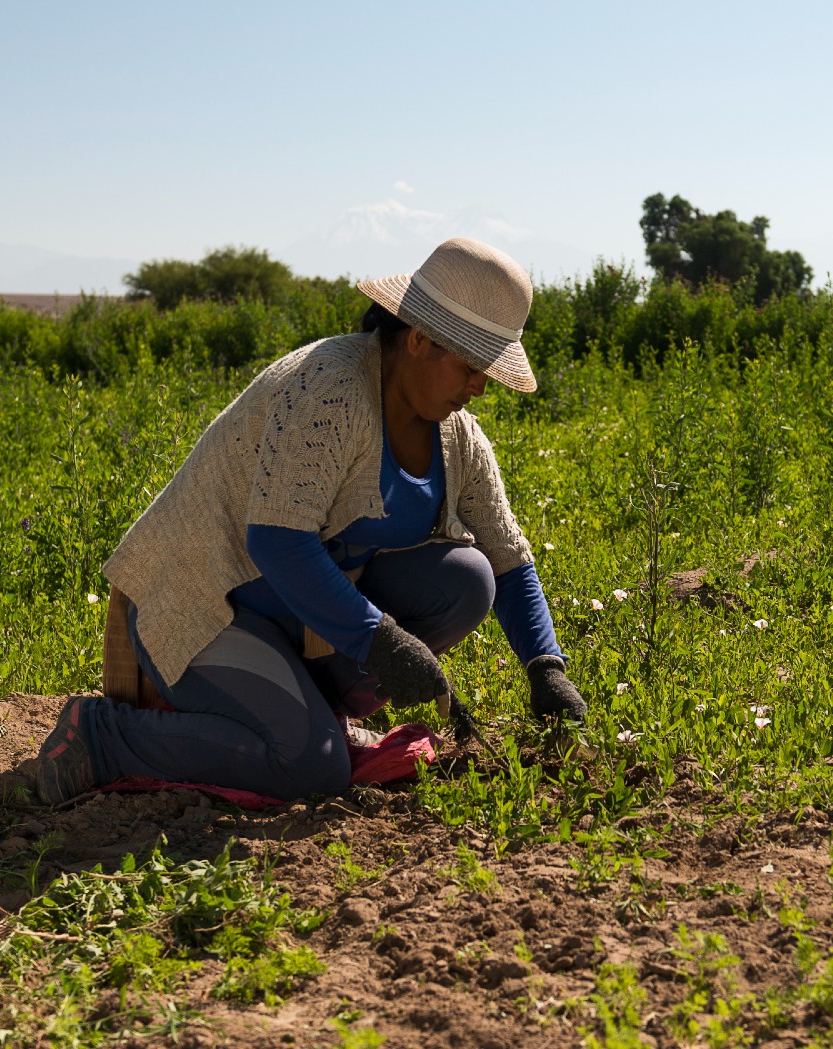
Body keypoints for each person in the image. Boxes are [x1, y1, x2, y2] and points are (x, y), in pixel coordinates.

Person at [31, 238, 587, 805]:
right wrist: (380, 640)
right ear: (420, 339)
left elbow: (506, 555)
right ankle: (101, 735)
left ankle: (315, 714)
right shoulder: (330, 389)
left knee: (466, 578)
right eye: (471, 366)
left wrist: (546, 668)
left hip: (296, 619)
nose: (480, 387)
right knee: (311, 771)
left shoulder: (456, 436)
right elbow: (278, 543)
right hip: (207, 606)